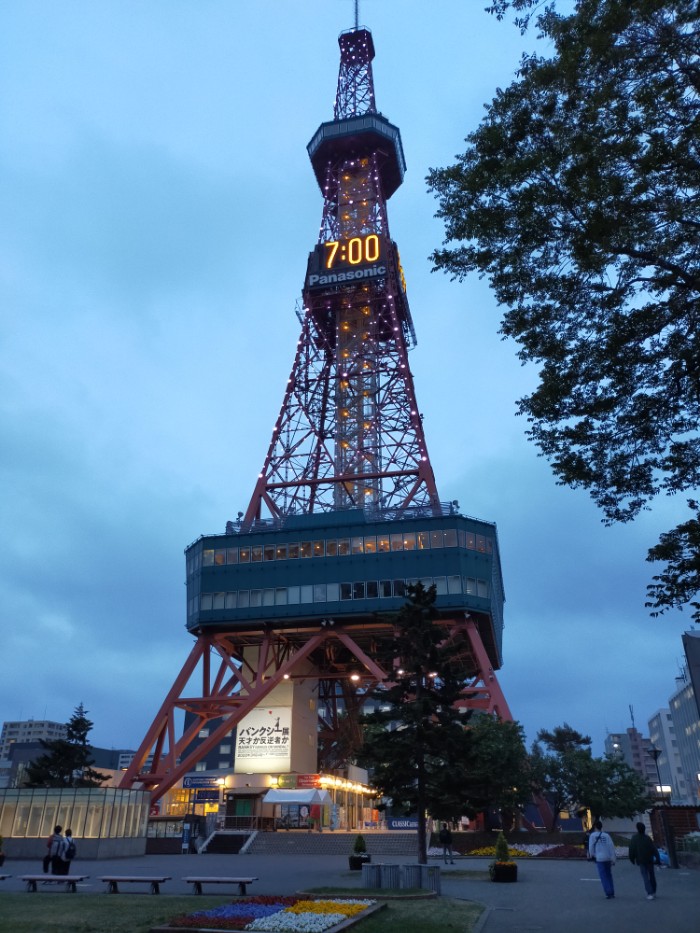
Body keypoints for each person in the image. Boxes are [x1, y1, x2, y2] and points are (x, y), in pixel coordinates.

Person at [628, 821, 661, 900]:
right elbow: (654, 849)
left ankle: (649, 892)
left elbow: (631, 849)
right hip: (650, 859)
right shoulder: (647, 838)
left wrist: (632, 859)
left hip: (641, 860)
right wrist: (657, 859)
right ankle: (654, 891)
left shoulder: (634, 838)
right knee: (652, 875)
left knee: (645, 876)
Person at [588, 820, 616, 899]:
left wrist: (592, 855)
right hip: (607, 857)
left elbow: (591, 847)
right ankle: (612, 891)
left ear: (595, 827)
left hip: (599, 858)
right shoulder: (606, 835)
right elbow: (611, 847)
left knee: (603, 876)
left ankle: (608, 892)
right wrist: (613, 858)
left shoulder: (593, 836)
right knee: (609, 875)